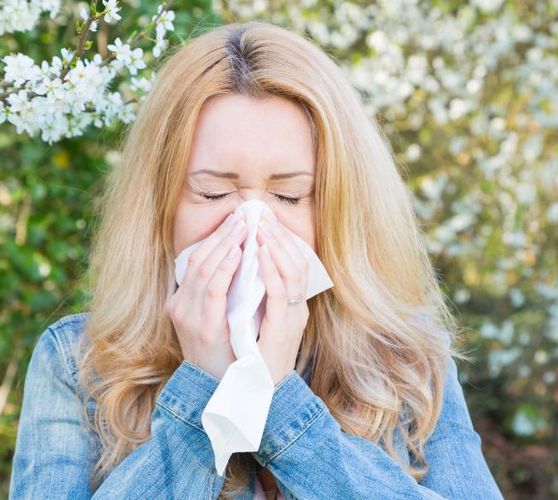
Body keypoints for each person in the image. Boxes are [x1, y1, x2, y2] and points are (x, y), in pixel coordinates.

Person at [9, 21, 503, 499]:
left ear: (336, 207)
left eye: (289, 196)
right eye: (212, 192)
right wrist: (201, 395)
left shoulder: (409, 361)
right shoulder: (76, 364)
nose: (249, 227)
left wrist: (279, 401)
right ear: (159, 205)